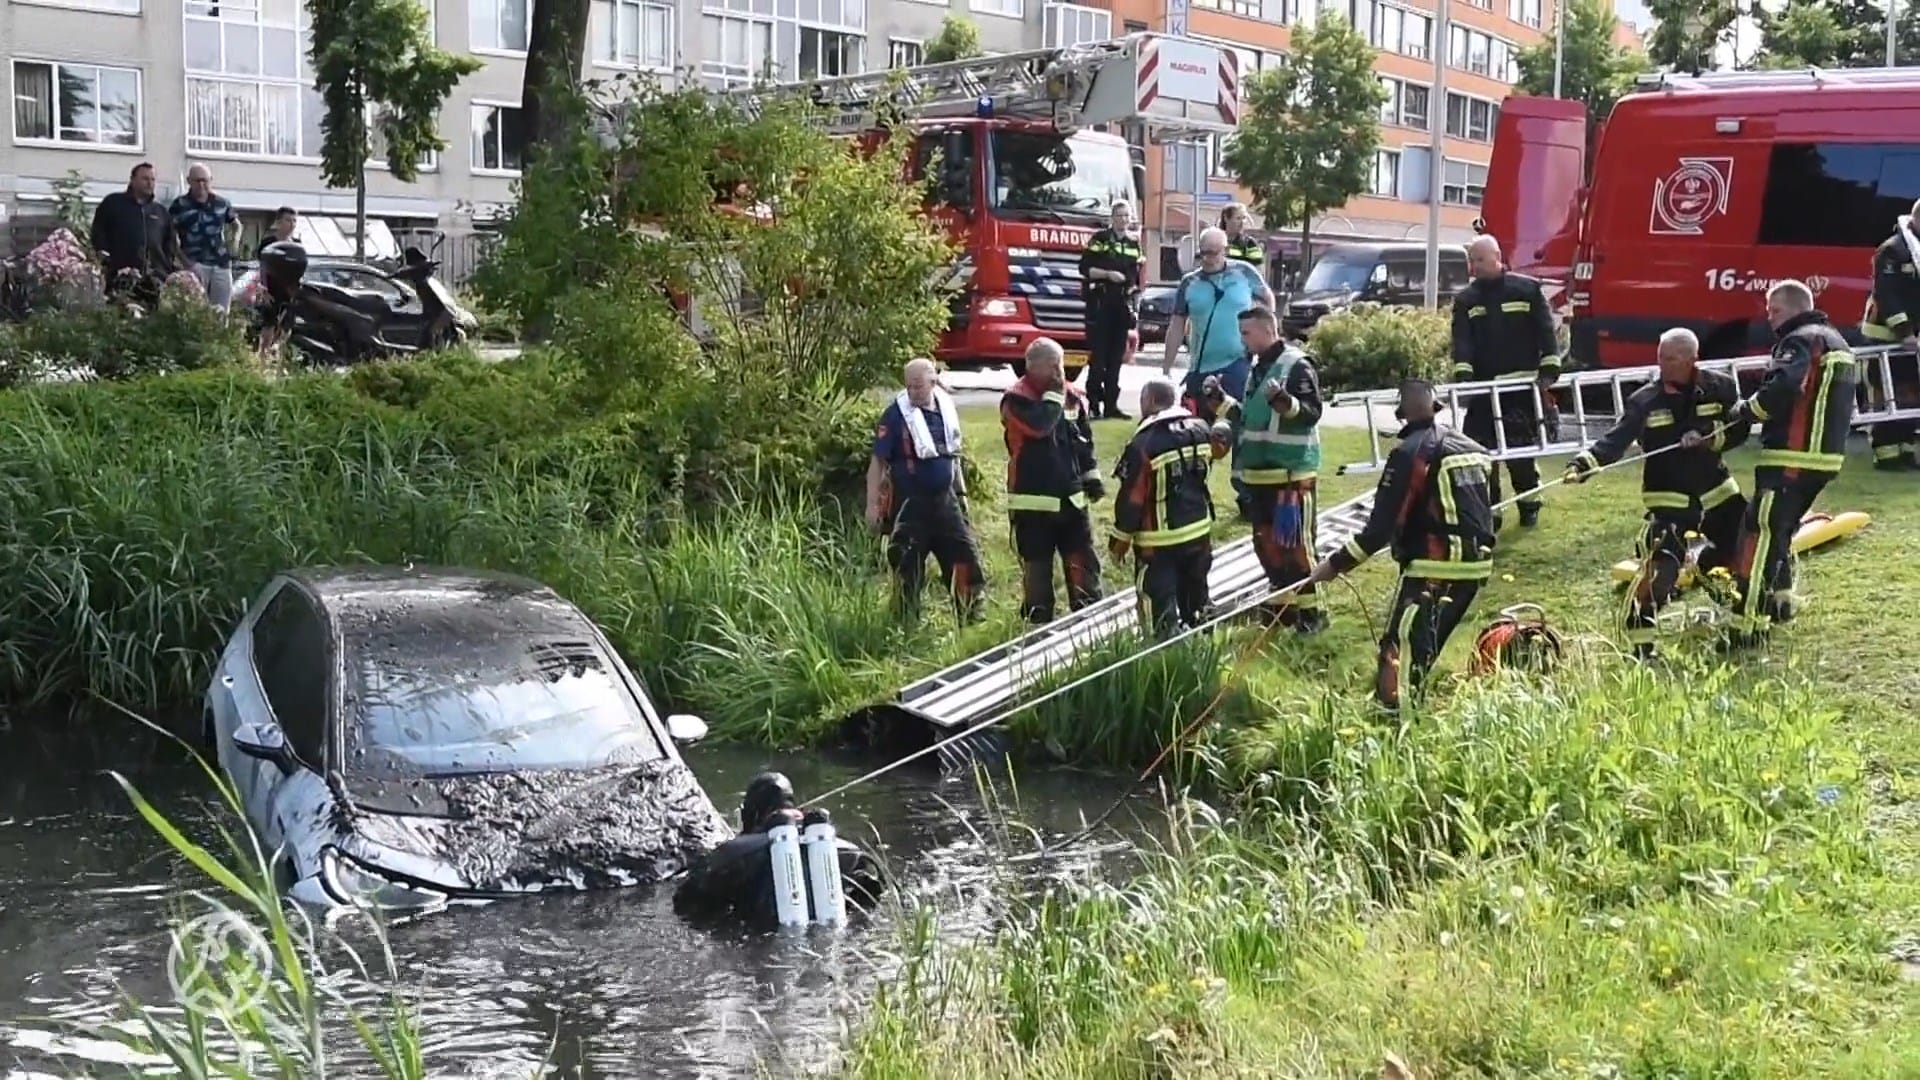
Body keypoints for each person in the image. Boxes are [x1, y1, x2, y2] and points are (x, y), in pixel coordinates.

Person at [1303, 379, 1498, 712]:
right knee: (1423, 648)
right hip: (1475, 568)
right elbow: (1491, 509)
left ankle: (1398, 728)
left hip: (1434, 570)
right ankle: (1412, 711)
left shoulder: (1409, 454)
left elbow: (1379, 529)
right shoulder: (1475, 449)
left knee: (1399, 654)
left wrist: (1334, 566)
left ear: (1401, 413)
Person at [1562, 328, 1749, 662]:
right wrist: (1584, 464)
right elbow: (1616, 439)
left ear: (1693, 359)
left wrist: (1707, 438)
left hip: (1717, 491)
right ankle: (1641, 646)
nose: (1663, 364)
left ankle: (1741, 628)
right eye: (1660, 357)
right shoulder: (1644, 400)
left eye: (1672, 358)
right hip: (1669, 496)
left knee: (1743, 554)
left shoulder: (1720, 387)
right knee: (1661, 573)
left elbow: (1737, 428)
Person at [1722, 280, 1858, 650]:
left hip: (1790, 456)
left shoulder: (1799, 340)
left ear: (1789, 308)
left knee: (1759, 533)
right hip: (1823, 457)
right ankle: (1781, 603)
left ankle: (1746, 627)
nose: (1769, 319)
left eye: (1773, 311)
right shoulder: (1837, 341)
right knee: (1779, 530)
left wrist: (1746, 411)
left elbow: (1784, 387)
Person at [1209, 304, 1329, 633]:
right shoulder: (1257, 367)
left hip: (1290, 477)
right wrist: (1219, 400)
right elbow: (1249, 418)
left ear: (1267, 330)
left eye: (1246, 333)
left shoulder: (1296, 365)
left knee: (1298, 548)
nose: (1242, 339)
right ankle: (1282, 611)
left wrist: (1285, 402)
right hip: (1258, 477)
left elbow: (1311, 413)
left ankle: (1313, 615)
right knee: (1266, 546)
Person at [1162, 226, 1276, 520]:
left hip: (1235, 363)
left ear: (1225, 250)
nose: (1207, 259)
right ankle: (1192, 492)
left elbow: (1267, 299)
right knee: (1198, 432)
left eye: (1213, 252)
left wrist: (1266, 339)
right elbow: (1177, 325)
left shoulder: (1244, 274)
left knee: (1239, 428)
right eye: (1203, 253)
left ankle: (1246, 495)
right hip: (1200, 368)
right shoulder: (1190, 283)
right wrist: (1167, 366)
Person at [672, 772, 882, 928]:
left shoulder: (737, 853)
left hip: (768, 943)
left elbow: (685, 901)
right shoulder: (849, 852)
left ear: (749, 814)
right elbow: (873, 896)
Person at [1450, 234, 1561, 530]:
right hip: (1484, 392)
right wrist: (1464, 379)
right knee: (1482, 454)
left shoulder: (1526, 289)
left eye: (1479, 260)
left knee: (1520, 452)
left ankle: (1529, 505)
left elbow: (1546, 332)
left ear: (1496, 257)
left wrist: (1549, 369)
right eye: (1471, 261)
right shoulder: (1466, 300)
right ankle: (1492, 513)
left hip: (1522, 390)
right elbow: (1462, 343)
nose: (1473, 267)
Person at [867, 358, 986, 623]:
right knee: (906, 567)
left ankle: (972, 622)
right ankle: (904, 626)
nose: (912, 393)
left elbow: (953, 456)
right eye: (908, 387)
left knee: (964, 560)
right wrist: (872, 505)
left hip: (946, 503)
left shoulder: (945, 409)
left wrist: (962, 496)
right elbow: (877, 462)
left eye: (918, 387)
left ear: (933, 383)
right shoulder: (895, 416)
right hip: (910, 506)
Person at [1109, 378, 1230, 636]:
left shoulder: (1143, 443)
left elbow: (1132, 499)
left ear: (1150, 401)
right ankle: (1201, 651)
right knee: (1196, 602)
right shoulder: (1200, 429)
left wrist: (1119, 541)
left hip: (1159, 543)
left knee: (1159, 612)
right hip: (1198, 532)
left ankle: (1163, 660)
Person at [1001, 337, 1105, 625]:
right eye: (1055, 365)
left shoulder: (1072, 396)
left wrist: (1091, 477)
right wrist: (1055, 394)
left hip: (1072, 499)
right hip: (1033, 502)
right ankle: (1038, 623)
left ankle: (1089, 618)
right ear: (1035, 367)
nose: (1062, 372)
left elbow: (1083, 442)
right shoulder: (1016, 399)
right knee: (1037, 567)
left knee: (1082, 560)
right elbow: (1041, 426)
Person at [1859, 200, 1920, 470]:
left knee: (1911, 395)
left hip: (1913, 340)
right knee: (1886, 395)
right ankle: (1886, 456)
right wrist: (1904, 332)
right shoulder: (1892, 250)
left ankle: (1906, 451)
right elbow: (1888, 295)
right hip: (1885, 336)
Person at [1079, 200, 1144, 421]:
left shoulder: (1134, 243)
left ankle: (1111, 405)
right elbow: (1085, 268)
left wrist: (1134, 298)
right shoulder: (1101, 239)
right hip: (1100, 303)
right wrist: (1108, 274)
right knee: (1099, 358)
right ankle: (1094, 404)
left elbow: (1136, 275)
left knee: (1116, 358)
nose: (1124, 220)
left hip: (1122, 305)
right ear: (1112, 218)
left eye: (1127, 216)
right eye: (1120, 215)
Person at [89, 162, 179, 298]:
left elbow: (170, 244)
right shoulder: (113, 203)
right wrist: (106, 261)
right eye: (145, 179)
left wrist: (165, 269)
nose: (150, 183)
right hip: (120, 278)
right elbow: (98, 234)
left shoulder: (161, 212)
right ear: (132, 180)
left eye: (153, 179)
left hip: (154, 281)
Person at [170, 163, 240, 313]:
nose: (201, 185)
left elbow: (237, 225)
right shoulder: (179, 205)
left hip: (221, 264)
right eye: (197, 181)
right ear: (189, 181)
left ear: (211, 180)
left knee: (220, 313)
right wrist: (184, 261)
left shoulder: (222, 203)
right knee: (194, 311)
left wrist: (233, 243)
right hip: (194, 263)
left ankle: (219, 337)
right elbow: (170, 235)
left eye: (205, 180)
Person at [1220, 202, 1265, 273]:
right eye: (1238, 218)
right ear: (1226, 218)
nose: (1242, 222)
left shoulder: (1250, 244)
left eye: (1244, 218)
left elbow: (1258, 272)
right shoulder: (1214, 240)